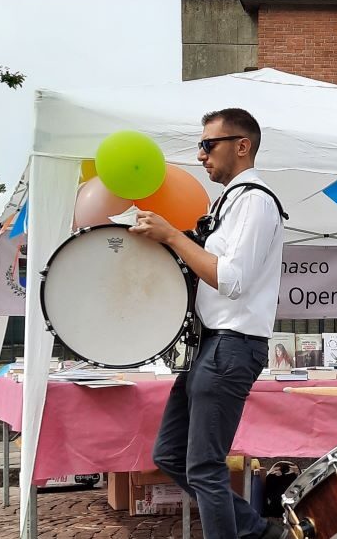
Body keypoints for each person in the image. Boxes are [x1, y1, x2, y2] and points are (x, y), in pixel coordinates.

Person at [130, 108, 287, 539]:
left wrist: (173, 237)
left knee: (203, 467)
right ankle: (259, 532)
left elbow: (231, 280)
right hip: (215, 346)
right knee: (171, 454)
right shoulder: (233, 200)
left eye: (207, 144)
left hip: (231, 344)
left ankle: (256, 533)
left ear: (242, 146)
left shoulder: (254, 199)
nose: (200, 154)